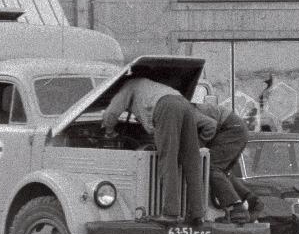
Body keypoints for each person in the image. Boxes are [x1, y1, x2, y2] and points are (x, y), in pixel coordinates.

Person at [102, 78, 204, 226]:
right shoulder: (150, 85)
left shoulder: (129, 86)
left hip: (166, 107)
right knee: (192, 160)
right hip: (184, 104)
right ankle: (197, 213)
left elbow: (111, 113)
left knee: (168, 159)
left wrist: (109, 132)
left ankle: (170, 213)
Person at [192, 102, 261, 224]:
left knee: (211, 167)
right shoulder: (186, 107)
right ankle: (251, 200)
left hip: (231, 129)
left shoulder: (186, 112)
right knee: (222, 173)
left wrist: (196, 146)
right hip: (235, 128)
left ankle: (237, 209)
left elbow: (211, 125)